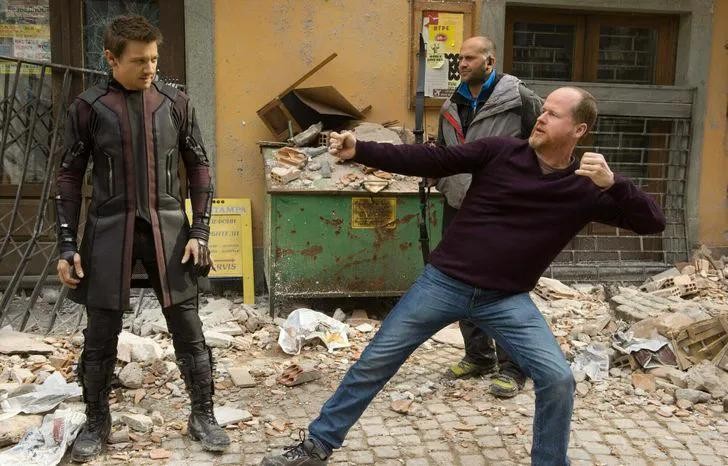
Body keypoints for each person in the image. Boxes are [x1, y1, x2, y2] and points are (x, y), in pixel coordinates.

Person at [260, 86, 665, 466]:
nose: (541, 118)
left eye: (553, 114)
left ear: (578, 129)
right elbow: (433, 160)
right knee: (374, 362)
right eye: (542, 110)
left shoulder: (585, 189)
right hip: (443, 283)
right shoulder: (500, 152)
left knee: (558, 379)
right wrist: (362, 149)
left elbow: (652, 223)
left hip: (505, 299)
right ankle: (317, 445)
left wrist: (615, 183)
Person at [55, 15, 229, 462]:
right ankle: (97, 421)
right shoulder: (89, 107)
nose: (149, 67)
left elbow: (200, 167)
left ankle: (203, 415)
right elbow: (69, 176)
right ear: (111, 59)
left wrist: (200, 230)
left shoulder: (176, 103)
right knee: (100, 333)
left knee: (188, 328)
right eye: (138, 60)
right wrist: (67, 245)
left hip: (170, 229)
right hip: (108, 230)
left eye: (153, 58)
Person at [436, 35, 539, 399]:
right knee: (460, 280)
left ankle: (514, 367)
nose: (462, 64)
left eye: (469, 58)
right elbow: (443, 153)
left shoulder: (521, 100)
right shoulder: (451, 104)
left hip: (504, 210)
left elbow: (546, 149)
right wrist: (442, 182)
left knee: (503, 286)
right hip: (460, 206)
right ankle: (478, 356)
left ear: (489, 62)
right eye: (460, 58)